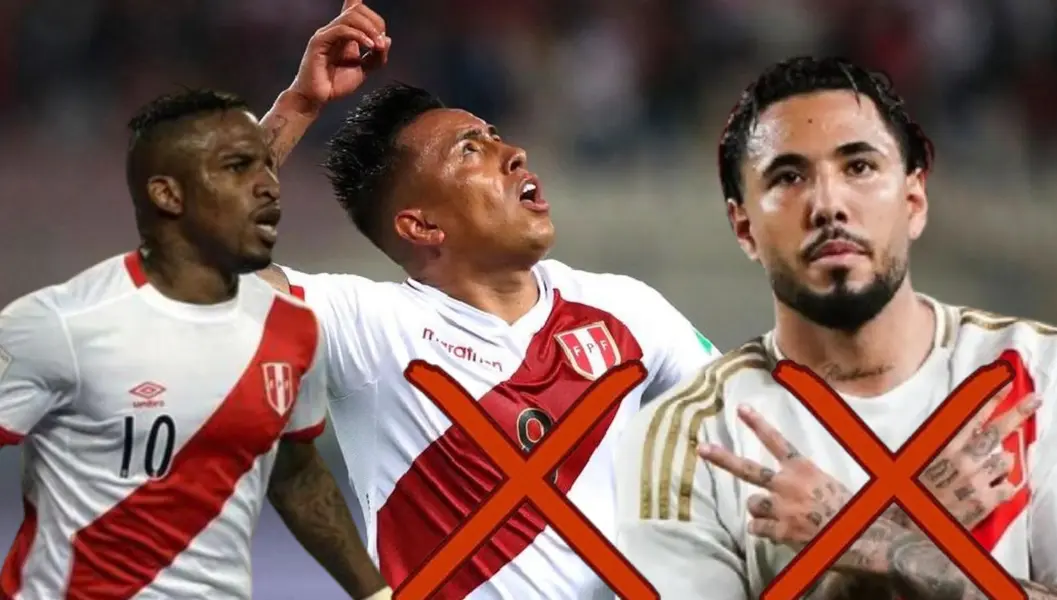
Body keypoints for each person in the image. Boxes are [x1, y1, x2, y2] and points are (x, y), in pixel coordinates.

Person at [613, 56, 1057, 600]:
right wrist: (915, 522)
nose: (828, 204)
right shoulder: (691, 435)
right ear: (744, 229)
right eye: (789, 177)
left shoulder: (1041, 372)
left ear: (914, 199)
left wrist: (862, 538)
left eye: (858, 167)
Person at [253, 3, 721, 598]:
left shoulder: (626, 311)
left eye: (496, 137)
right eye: (470, 150)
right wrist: (298, 105)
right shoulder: (370, 329)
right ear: (421, 226)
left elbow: (752, 430)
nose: (514, 153)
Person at [0, 89, 390, 600]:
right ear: (168, 195)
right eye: (238, 167)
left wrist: (376, 594)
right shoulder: (60, 325)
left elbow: (296, 476)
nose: (270, 186)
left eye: (267, 167)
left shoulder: (292, 330)